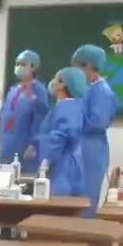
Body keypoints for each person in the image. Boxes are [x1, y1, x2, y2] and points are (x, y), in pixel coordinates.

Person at [72, 44, 116, 215]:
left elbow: (98, 122)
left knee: (86, 201)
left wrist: (71, 124)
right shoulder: (88, 89)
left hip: (91, 152)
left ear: (89, 66)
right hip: (82, 150)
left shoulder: (101, 92)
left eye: (76, 67)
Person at [37, 68, 88, 197]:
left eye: (56, 79)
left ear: (63, 84)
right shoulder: (81, 106)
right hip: (80, 168)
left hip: (64, 170)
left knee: (59, 204)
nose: (52, 82)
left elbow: (57, 139)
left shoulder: (65, 108)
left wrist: (45, 161)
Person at [0, 49, 50, 175]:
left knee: (23, 180)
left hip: (25, 147)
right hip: (7, 145)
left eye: (23, 64)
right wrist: (0, 142)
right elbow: (5, 116)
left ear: (33, 67)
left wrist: (34, 143)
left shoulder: (38, 90)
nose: (19, 67)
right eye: (17, 64)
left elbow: (41, 118)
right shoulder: (13, 90)